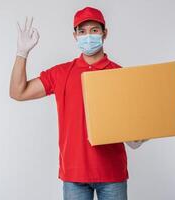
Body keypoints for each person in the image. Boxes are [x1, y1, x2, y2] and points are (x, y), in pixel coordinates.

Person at [10, 6, 149, 200]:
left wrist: (141, 132)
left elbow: (135, 123)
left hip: (111, 173)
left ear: (104, 33)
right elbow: (18, 92)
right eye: (82, 31)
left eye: (94, 30)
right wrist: (21, 53)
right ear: (75, 35)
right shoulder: (60, 73)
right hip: (74, 175)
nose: (88, 36)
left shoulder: (120, 75)